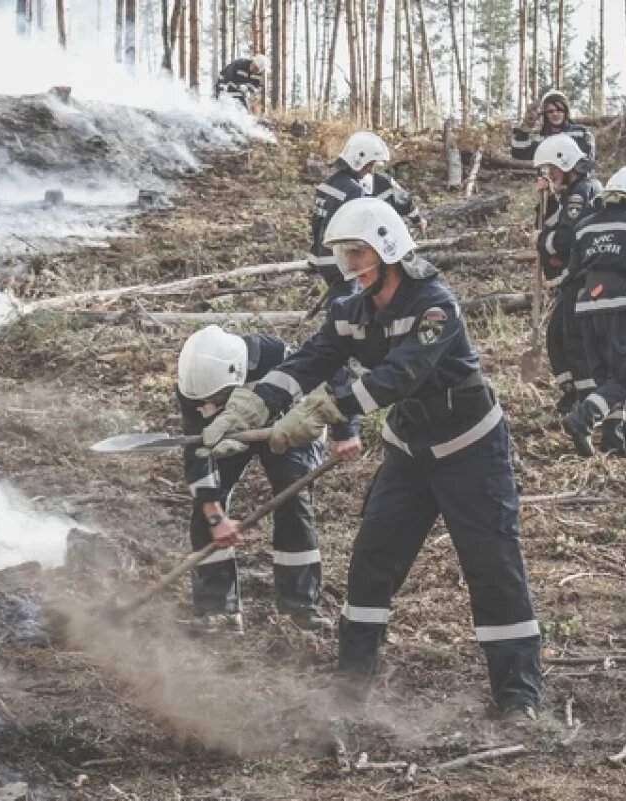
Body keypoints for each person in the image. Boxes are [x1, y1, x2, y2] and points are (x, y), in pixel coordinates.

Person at [199, 198, 543, 719]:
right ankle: (350, 684)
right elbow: (308, 362)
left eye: (357, 253)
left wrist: (325, 410)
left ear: (388, 250)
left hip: (471, 451)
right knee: (371, 564)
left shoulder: (435, 307)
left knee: (492, 567)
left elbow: (399, 376)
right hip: (409, 453)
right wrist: (251, 405)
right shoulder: (350, 312)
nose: (349, 265)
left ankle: (518, 695)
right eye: (343, 254)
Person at [176, 325, 360, 633]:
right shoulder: (192, 388)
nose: (213, 403)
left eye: (220, 397)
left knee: (293, 499)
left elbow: (338, 374)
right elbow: (197, 452)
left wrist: (347, 432)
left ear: (236, 374)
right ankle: (217, 608)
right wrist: (214, 515)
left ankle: (300, 607)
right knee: (205, 508)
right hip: (229, 433)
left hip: (290, 426)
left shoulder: (274, 354)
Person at [562, 167, 626, 457]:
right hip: (617, 303)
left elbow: (573, 268)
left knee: (607, 378)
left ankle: (614, 440)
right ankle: (582, 419)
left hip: (585, 306)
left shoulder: (583, 226)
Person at [531, 134, 603, 442]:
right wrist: (546, 199)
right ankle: (572, 392)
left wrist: (543, 243)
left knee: (573, 339)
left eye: (552, 169)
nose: (550, 175)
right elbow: (551, 225)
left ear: (565, 162)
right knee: (557, 336)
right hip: (574, 278)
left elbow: (566, 237)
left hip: (585, 277)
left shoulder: (581, 193)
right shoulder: (570, 193)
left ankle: (587, 403)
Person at [309, 132, 427, 306]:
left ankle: (336, 319)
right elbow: (358, 230)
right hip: (343, 259)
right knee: (348, 305)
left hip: (322, 258)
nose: (370, 170)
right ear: (357, 160)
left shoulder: (327, 185)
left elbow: (316, 223)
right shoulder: (354, 190)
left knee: (339, 301)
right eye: (369, 165)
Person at [510, 89, 596, 167]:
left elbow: (587, 161)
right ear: (545, 114)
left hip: (576, 179)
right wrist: (526, 127)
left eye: (559, 109)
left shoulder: (580, 133)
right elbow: (518, 153)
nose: (555, 114)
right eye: (550, 111)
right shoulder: (540, 138)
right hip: (547, 179)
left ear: (565, 111)